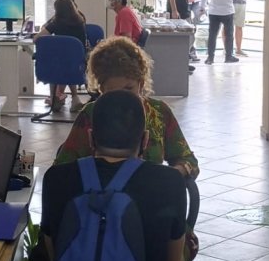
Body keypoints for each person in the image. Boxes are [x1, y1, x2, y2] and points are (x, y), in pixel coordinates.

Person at [41, 90, 187, 261]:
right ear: (145, 140)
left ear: (91, 138)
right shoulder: (170, 183)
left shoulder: (56, 179)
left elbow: (53, 258)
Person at [55, 37, 199, 178]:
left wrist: (169, 177)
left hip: (150, 191)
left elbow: (188, 160)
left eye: (129, 88)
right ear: (101, 89)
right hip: (100, 192)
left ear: (141, 84)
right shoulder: (91, 113)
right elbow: (61, 168)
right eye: (112, 91)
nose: (122, 97)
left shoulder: (158, 112)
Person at [36, 0, 89, 113]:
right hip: (77, 65)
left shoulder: (56, 23)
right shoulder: (80, 22)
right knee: (68, 63)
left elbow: (37, 38)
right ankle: (74, 98)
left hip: (58, 64)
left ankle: (55, 97)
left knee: (56, 62)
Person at [199, 0, 247, 64]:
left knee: (212, 34)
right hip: (227, 10)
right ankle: (228, 56)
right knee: (229, 34)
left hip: (213, 10)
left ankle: (210, 58)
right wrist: (243, 0)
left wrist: (202, 7)